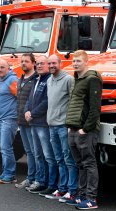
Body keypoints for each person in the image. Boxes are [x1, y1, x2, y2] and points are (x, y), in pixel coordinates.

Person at [65, 50, 102, 209]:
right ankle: (81, 196)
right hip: (73, 128)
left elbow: (95, 108)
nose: (75, 63)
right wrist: (70, 127)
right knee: (80, 164)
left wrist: (85, 129)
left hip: (85, 130)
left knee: (89, 163)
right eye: (74, 61)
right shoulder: (77, 79)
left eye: (78, 61)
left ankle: (91, 199)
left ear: (86, 62)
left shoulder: (92, 79)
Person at [45, 55, 78, 202]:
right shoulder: (49, 80)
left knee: (69, 159)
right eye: (49, 63)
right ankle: (62, 188)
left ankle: (73, 191)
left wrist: (71, 123)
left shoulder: (68, 79)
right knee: (59, 159)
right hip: (52, 126)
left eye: (54, 63)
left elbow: (73, 101)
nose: (51, 65)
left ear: (60, 63)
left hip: (63, 126)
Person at [24, 55, 57, 195]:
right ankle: (40, 181)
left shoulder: (49, 79)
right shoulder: (36, 79)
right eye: (37, 64)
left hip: (43, 123)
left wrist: (32, 113)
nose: (39, 66)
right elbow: (30, 99)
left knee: (48, 156)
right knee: (38, 154)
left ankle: (51, 184)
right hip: (33, 123)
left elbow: (47, 101)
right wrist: (26, 110)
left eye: (42, 64)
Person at [0, 59, 19, 184]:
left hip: (9, 119)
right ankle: (5, 172)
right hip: (0, 119)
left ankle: (10, 174)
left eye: (2, 67)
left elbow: (20, 98)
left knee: (6, 147)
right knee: (3, 148)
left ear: (9, 68)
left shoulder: (12, 80)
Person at [15, 53, 38, 189]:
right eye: (22, 61)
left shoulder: (35, 79)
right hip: (21, 121)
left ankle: (36, 179)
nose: (23, 63)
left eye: (26, 61)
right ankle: (30, 178)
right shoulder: (21, 79)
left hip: (32, 122)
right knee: (29, 151)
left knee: (35, 152)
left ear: (33, 63)